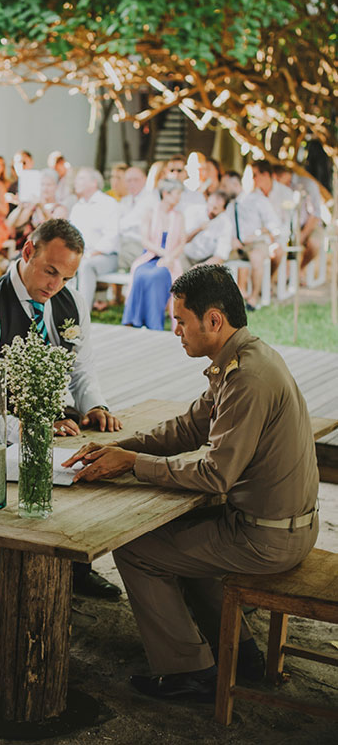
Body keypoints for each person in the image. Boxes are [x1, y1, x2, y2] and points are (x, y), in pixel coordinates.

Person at [64, 264, 319, 702]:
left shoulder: (247, 377)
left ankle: (190, 671)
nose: (175, 330)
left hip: (269, 536)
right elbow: (187, 429)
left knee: (136, 549)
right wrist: (119, 447)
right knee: (175, 538)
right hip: (274, 524)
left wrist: (133, 464)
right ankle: (238, 651)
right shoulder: (242, 358)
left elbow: (215, 475)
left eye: (181, 321)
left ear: (213, 321)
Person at [0, 218, 123, 600]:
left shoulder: (70, 301)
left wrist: (94, 404)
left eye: (65, 278)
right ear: (28, 251)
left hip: (57, 424)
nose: (55, 286)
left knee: (100, 458)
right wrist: (24, 430)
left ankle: (76, 568)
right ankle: (29, 579)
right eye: (50, 271)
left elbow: (83, 368)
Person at [122, 179, 185, 330]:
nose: (179, 198)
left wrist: (169, 257)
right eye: (177, 194)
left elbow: (182, 242)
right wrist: (164, 253)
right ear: (166, 194)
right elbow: (145, 241)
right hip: (150, 256)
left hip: (170, 260)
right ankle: (134, 319)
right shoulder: (150, 213)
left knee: (158, 275)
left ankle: (154, 323)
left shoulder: (179, 216)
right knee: (141, 273)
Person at [220, 169, 282, 309]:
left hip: (256, 243)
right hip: (236, 245)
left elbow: (274, 224)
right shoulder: (229, 206)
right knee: (218, 257)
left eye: (225, 186)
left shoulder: (257, 200)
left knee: (256, 257)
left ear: (235, 184)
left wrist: (256, 234)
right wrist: (231, 240)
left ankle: (253, 298)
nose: (222, 189)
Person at [69, 168, 119, 311]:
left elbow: (111, 237)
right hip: (80, 255)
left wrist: (89, 255)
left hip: (105, 257)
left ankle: (82, 313)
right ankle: (64, 310)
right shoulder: (77, 207)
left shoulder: (108, 204)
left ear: (94, 183)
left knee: (85, 265)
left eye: (81, 178)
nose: (76, 182)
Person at [273, 164, 324, 276]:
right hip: (288, 225)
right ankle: (285, 274)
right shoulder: (278, 189)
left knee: (314, 243)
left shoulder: (307, 185)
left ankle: (299, 269)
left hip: (308, 224)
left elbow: (315, 214)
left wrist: (303, 235)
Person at [117, 166, 158, 271]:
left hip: (141, 245)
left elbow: (123, 224)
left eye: (136, 180)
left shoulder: (151, 199)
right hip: (124, 243)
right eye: (128, 180)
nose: (132, 183)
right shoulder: (125, 201)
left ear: (144, 180)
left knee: (112, 255)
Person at [183, 190, 232, 267]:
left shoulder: (226, 224)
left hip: (206, 261)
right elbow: (182, 240)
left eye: (215, 208)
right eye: (209, 205)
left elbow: (221, 255)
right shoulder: (192, 211)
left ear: (223, 209)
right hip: (185, 256)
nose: (210, 210)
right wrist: (199, 229)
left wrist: (199, 268)